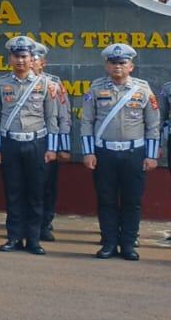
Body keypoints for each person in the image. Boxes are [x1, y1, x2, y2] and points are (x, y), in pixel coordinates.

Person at [80, 43, 160, 260]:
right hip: (104, 153)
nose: (118, 66)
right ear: (106, 66)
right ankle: (108, 243)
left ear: (131, 66)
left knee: (132, 200)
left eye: (122, 63)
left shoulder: (143, 90)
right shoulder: (95, 89)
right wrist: (88, 152)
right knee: (106, 199)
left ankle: (128, 245)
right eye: (113, 63)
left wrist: (151, 156)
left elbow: (153, 125)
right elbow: (86, 122)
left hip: (134, 153)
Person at [0, 36, 60, 255]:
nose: (20, 61)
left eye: (24, 57)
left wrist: (51, 148)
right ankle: (14, 238)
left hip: (37, 143)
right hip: (10, 143)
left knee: (36, 193)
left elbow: (52, 118)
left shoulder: (46, 85)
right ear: (10, 58)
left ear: (32, 59)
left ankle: (34, 240)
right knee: (14, 192)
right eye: (16, 56)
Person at [33, 43, 70, 241]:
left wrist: (62, 147)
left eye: (35, 59)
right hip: (26, 140)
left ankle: (44, 223)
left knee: (47, 186)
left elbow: (63, 117)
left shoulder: (54, 83)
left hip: (49, 143)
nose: (30, 63)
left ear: (42, 63)